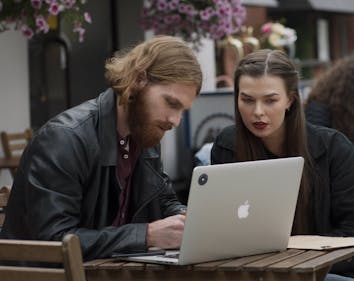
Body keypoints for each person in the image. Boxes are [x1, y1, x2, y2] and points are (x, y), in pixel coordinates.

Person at [0, 36, 203, 261]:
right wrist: (146, 236)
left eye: (183, 110)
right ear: (139, 79)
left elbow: (163, 201)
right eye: (171, 103)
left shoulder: (144, 134)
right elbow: (54, 240)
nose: (175, 120)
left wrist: (189, 220)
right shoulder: (65, 138)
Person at [211, 49, 354, 281]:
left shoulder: (333, 147)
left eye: (270, 100)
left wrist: (293, 256)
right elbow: (221, 230)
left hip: (333, 273)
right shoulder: (227, 145)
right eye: (247, 100)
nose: (258, 112)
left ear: (290, 100)